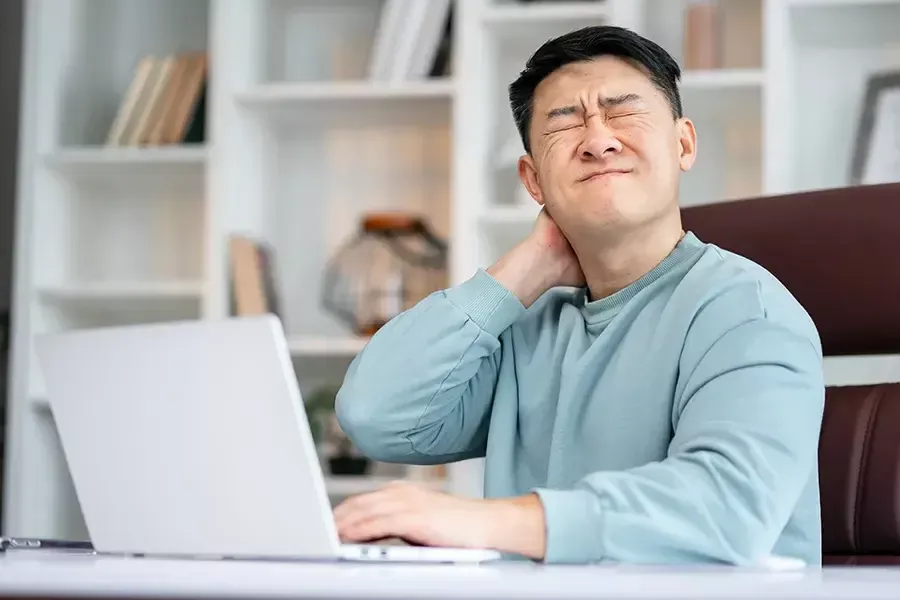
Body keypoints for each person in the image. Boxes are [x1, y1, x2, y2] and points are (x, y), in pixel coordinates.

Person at [331, 25, 825, 566]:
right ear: (533, 181)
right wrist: (523, 270)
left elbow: (730, 508)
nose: (598, 140)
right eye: (564, 124)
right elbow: (375, 414)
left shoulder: (744, 310)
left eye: (623, 112)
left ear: (683, 144)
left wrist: (479, 520)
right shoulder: (526, 330)